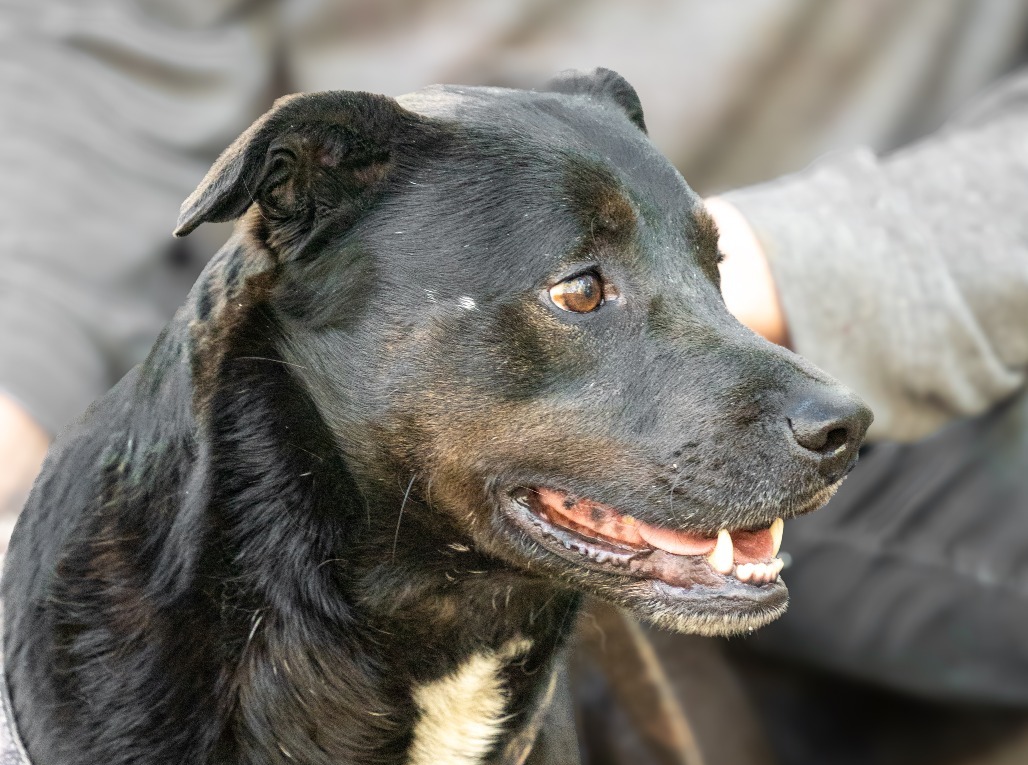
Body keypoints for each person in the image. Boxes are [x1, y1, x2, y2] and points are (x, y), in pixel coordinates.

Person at [1, 0, 1027, 721]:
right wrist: (16, 401)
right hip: (399, 413)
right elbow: (99, 94)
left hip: (934, 366)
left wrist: (781, 264)